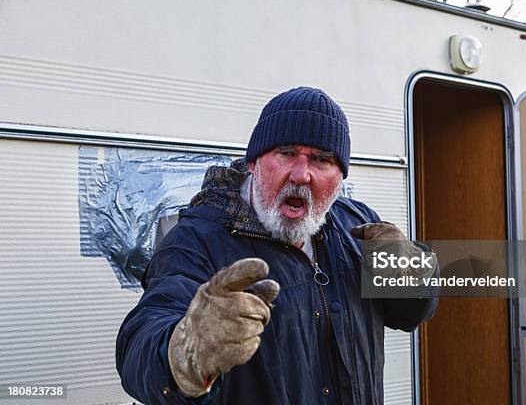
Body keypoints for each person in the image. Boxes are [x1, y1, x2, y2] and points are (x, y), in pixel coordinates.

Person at [115, 86, 438, 404]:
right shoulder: (196, 240)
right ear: (254, 163)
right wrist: (185, 354)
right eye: (285, 153)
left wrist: (414, 274)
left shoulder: (357, 224)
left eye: (322, 159)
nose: (301, 175)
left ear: (340, 176)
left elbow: (408, 314)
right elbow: (140, 344)